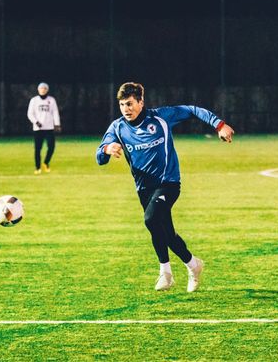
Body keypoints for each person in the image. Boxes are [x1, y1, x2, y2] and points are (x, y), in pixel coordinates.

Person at [96, 82, 234, 292]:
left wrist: (219, 125)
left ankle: (166, 273)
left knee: (151, 219)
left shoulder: (160, 118)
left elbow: (192, 110)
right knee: (167, 234)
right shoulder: (118, 127)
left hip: (168, 183)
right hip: (144, 189)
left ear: (141, 102)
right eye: (122, 105)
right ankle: (193, 264)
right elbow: (99, 157)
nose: (126, 109)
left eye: (130, 104)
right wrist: (107, 149)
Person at [27, 82, 61, 175]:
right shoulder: (34, 100)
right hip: (38, 129)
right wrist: (36, 122)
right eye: (41, 88)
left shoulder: (51, 100)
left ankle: (46, 163)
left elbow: (55, 112)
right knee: (38, 148)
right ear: (38, 90)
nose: (43, 90)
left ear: (47, 90)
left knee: (51, 147)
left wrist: (57, 124)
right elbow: (30, 114)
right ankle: (37, 167)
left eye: (44, 88)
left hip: (49, 127)